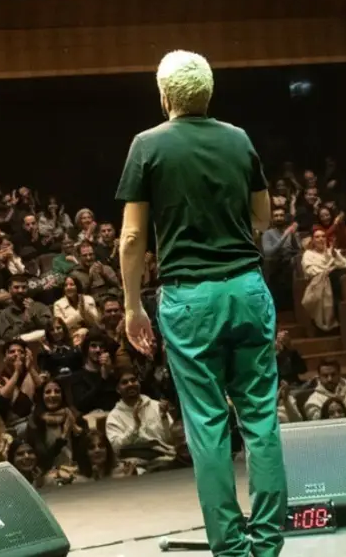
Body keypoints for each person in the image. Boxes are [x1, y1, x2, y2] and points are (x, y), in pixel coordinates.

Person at [117, 50, 286, 557]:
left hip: (190, 299)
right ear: (208, 94)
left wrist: (132, 306)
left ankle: (231, 550)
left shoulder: (147, 145)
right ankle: (268, 545)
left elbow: (131, 238)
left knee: (208, 425)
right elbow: (263, 217)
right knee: (261, 418)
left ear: (165, 95)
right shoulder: (238, 139)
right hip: (248, 290)